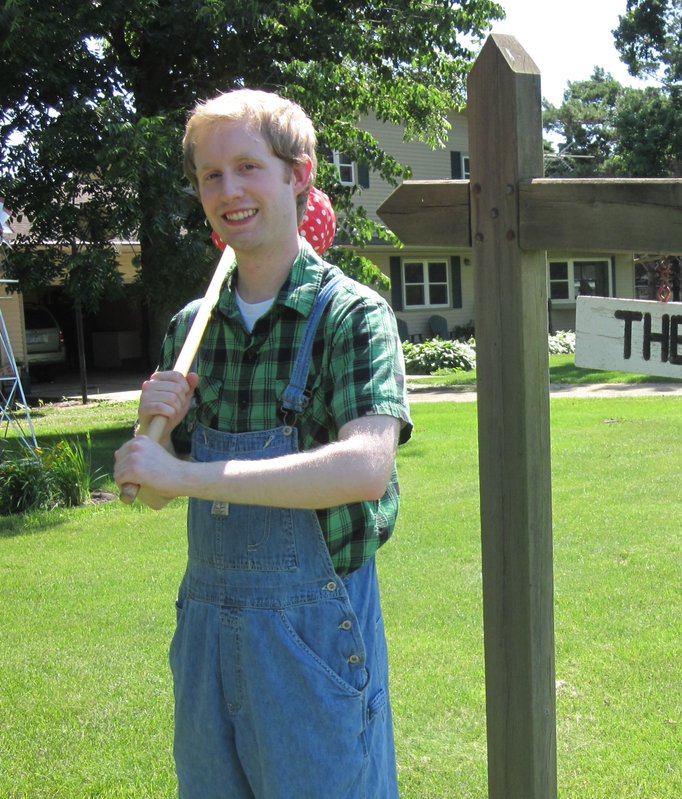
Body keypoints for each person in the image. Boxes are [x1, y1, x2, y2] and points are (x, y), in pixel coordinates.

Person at [114, 89, 411, 798]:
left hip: (312, 645)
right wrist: (148, 441)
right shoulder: (195, 324)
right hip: (207, 636)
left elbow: (366, 468)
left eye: (248, 167)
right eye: (211, 176)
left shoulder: (352, 316)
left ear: (298, 174)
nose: (229, 191)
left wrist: (188, 476)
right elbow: (148, 493)